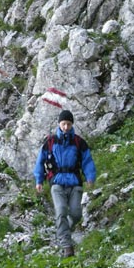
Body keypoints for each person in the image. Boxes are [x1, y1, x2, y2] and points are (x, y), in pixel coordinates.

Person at [33, 109, 97, 257]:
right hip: (56, 182)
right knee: (61, 210)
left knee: (76, 213)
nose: (66, 127)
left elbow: (87, 161)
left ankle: (63, 229)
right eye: (63, 124)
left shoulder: (79, 142)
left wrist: (90, 177)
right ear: (59, 124)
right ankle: (66, 245)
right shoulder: (50, 142)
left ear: (72, 124)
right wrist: (39, 180)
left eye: (68, 124)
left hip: (75, 182)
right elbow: (40, 161)